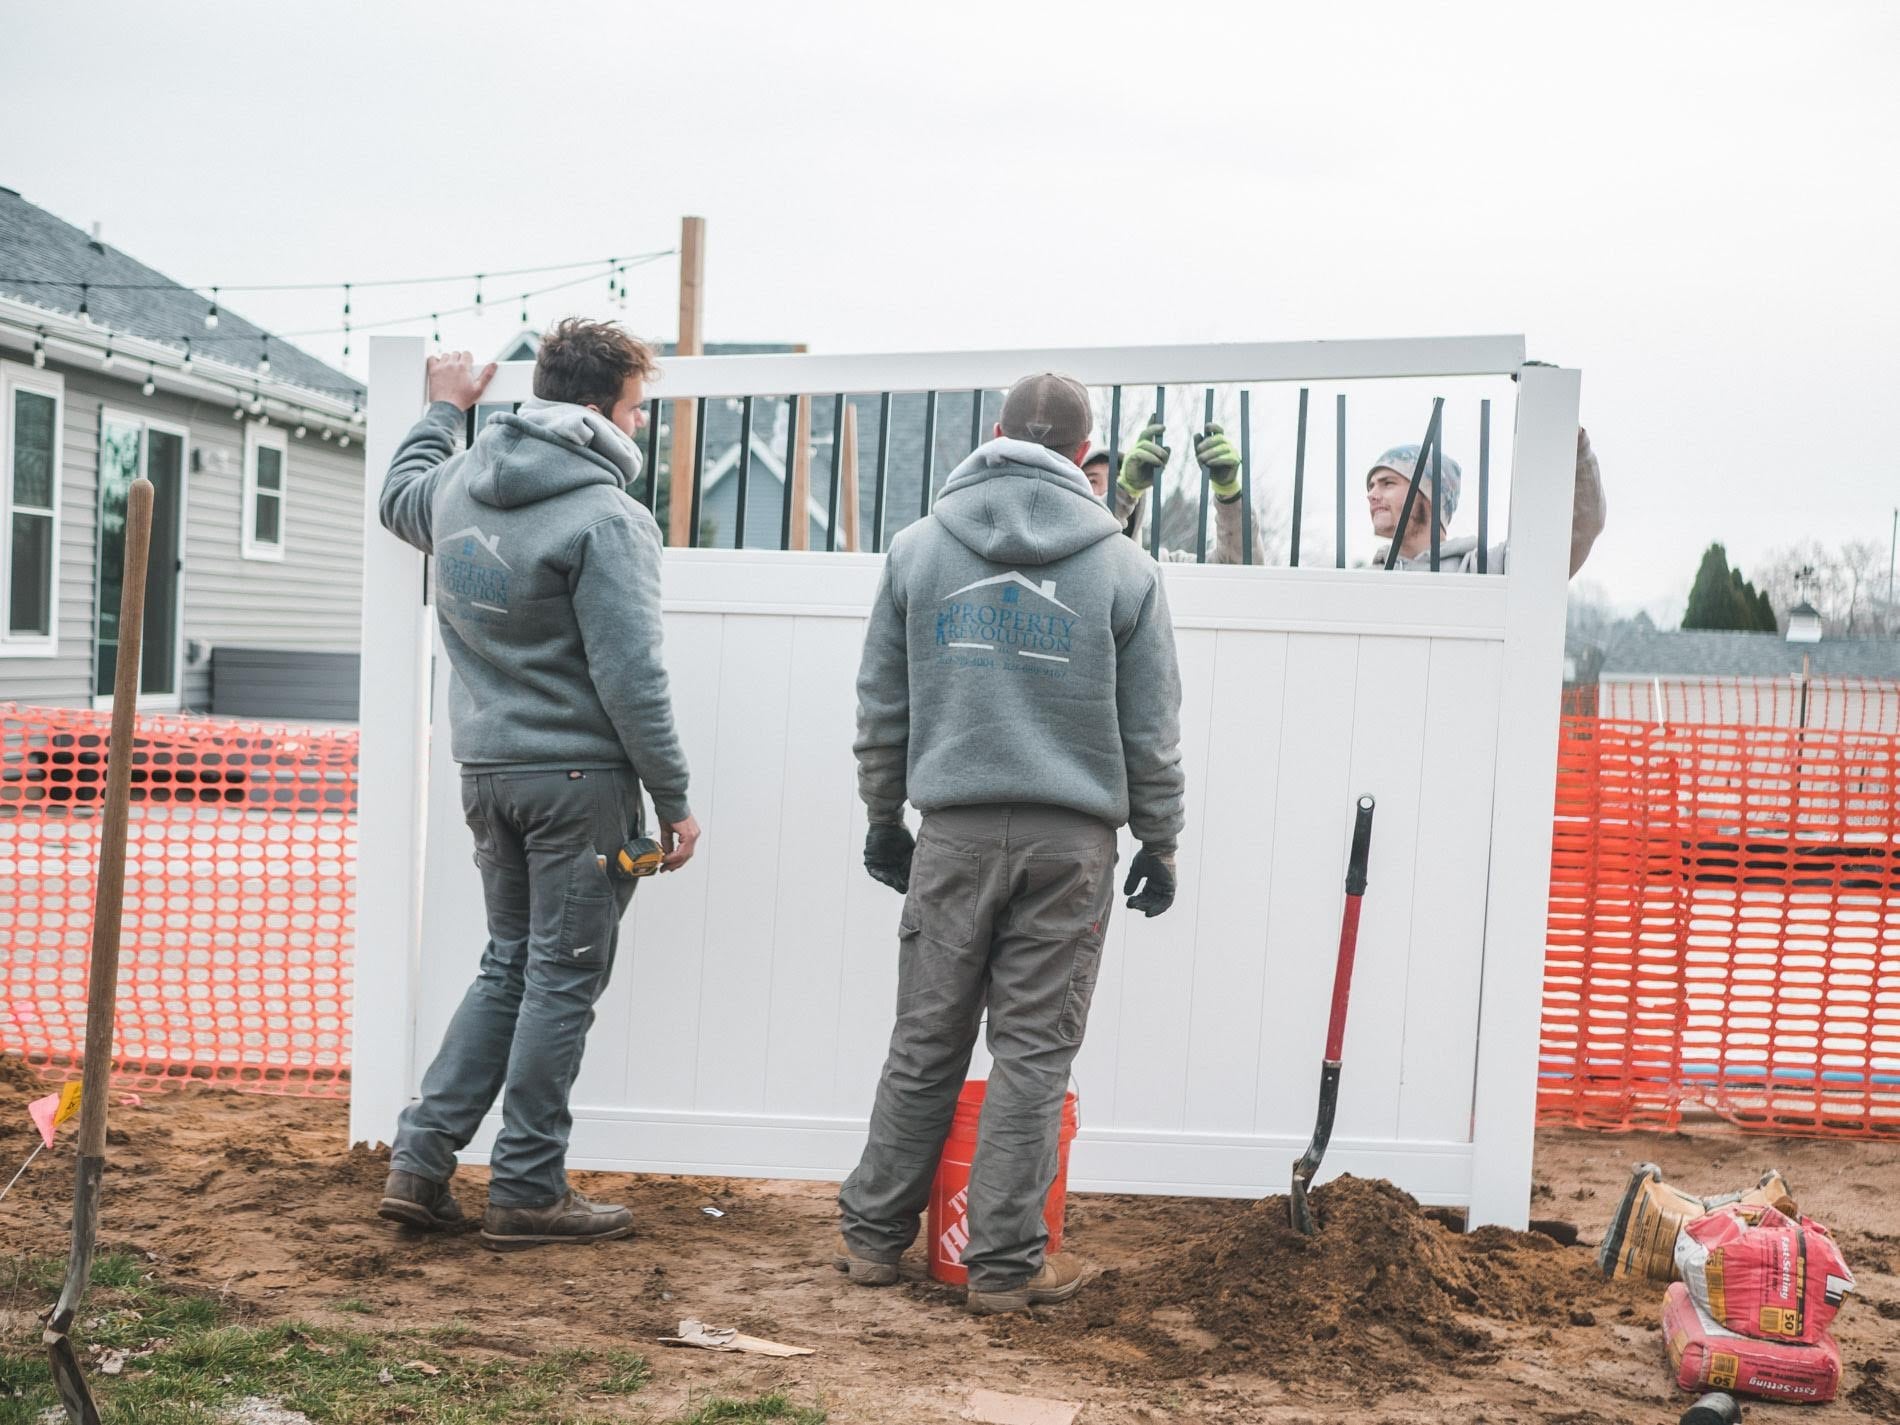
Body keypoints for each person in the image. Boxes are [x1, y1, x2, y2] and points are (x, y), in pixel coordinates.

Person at [835, 372, 1186, 1315]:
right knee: (1033, 1054)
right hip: (1069, 850)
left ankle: (873, 1242)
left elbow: (882, 709)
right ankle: (1001, 1269)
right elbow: (1151, 732)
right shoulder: (1124, 571)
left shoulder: (917, 550)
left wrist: (882, 816)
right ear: (1083, 454)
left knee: (926, 1039)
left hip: (951, 835)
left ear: (993, 435)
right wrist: (1161, 837)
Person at [374, 321, 700, 1250]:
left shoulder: (463, 481)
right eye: (639, 407)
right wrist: (674, 798)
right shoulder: (607, 517)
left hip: (487, 774)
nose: (643, 423)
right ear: (601, 409)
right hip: (575, 784)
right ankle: (526, 1188)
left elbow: (398, 498)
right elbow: (633, 678)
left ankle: (420, 1162)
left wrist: (444, 407)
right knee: (559, 978)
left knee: (509, 965)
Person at [1367, 428, 1605, 575]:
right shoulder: (1359, 580)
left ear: (1430, 495)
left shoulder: (1487, 570)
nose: (1372, 494)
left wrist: (1577, 446)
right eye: (1371, 485)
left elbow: (1576, 529)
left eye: (1388, 483)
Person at [1110, 422, 1249, 563]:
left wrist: (1229, 493)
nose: (1109, 490)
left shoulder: (1159, 566)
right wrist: (1120, 493)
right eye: (1093, 481)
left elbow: (1237, 571)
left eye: (1116, 480)